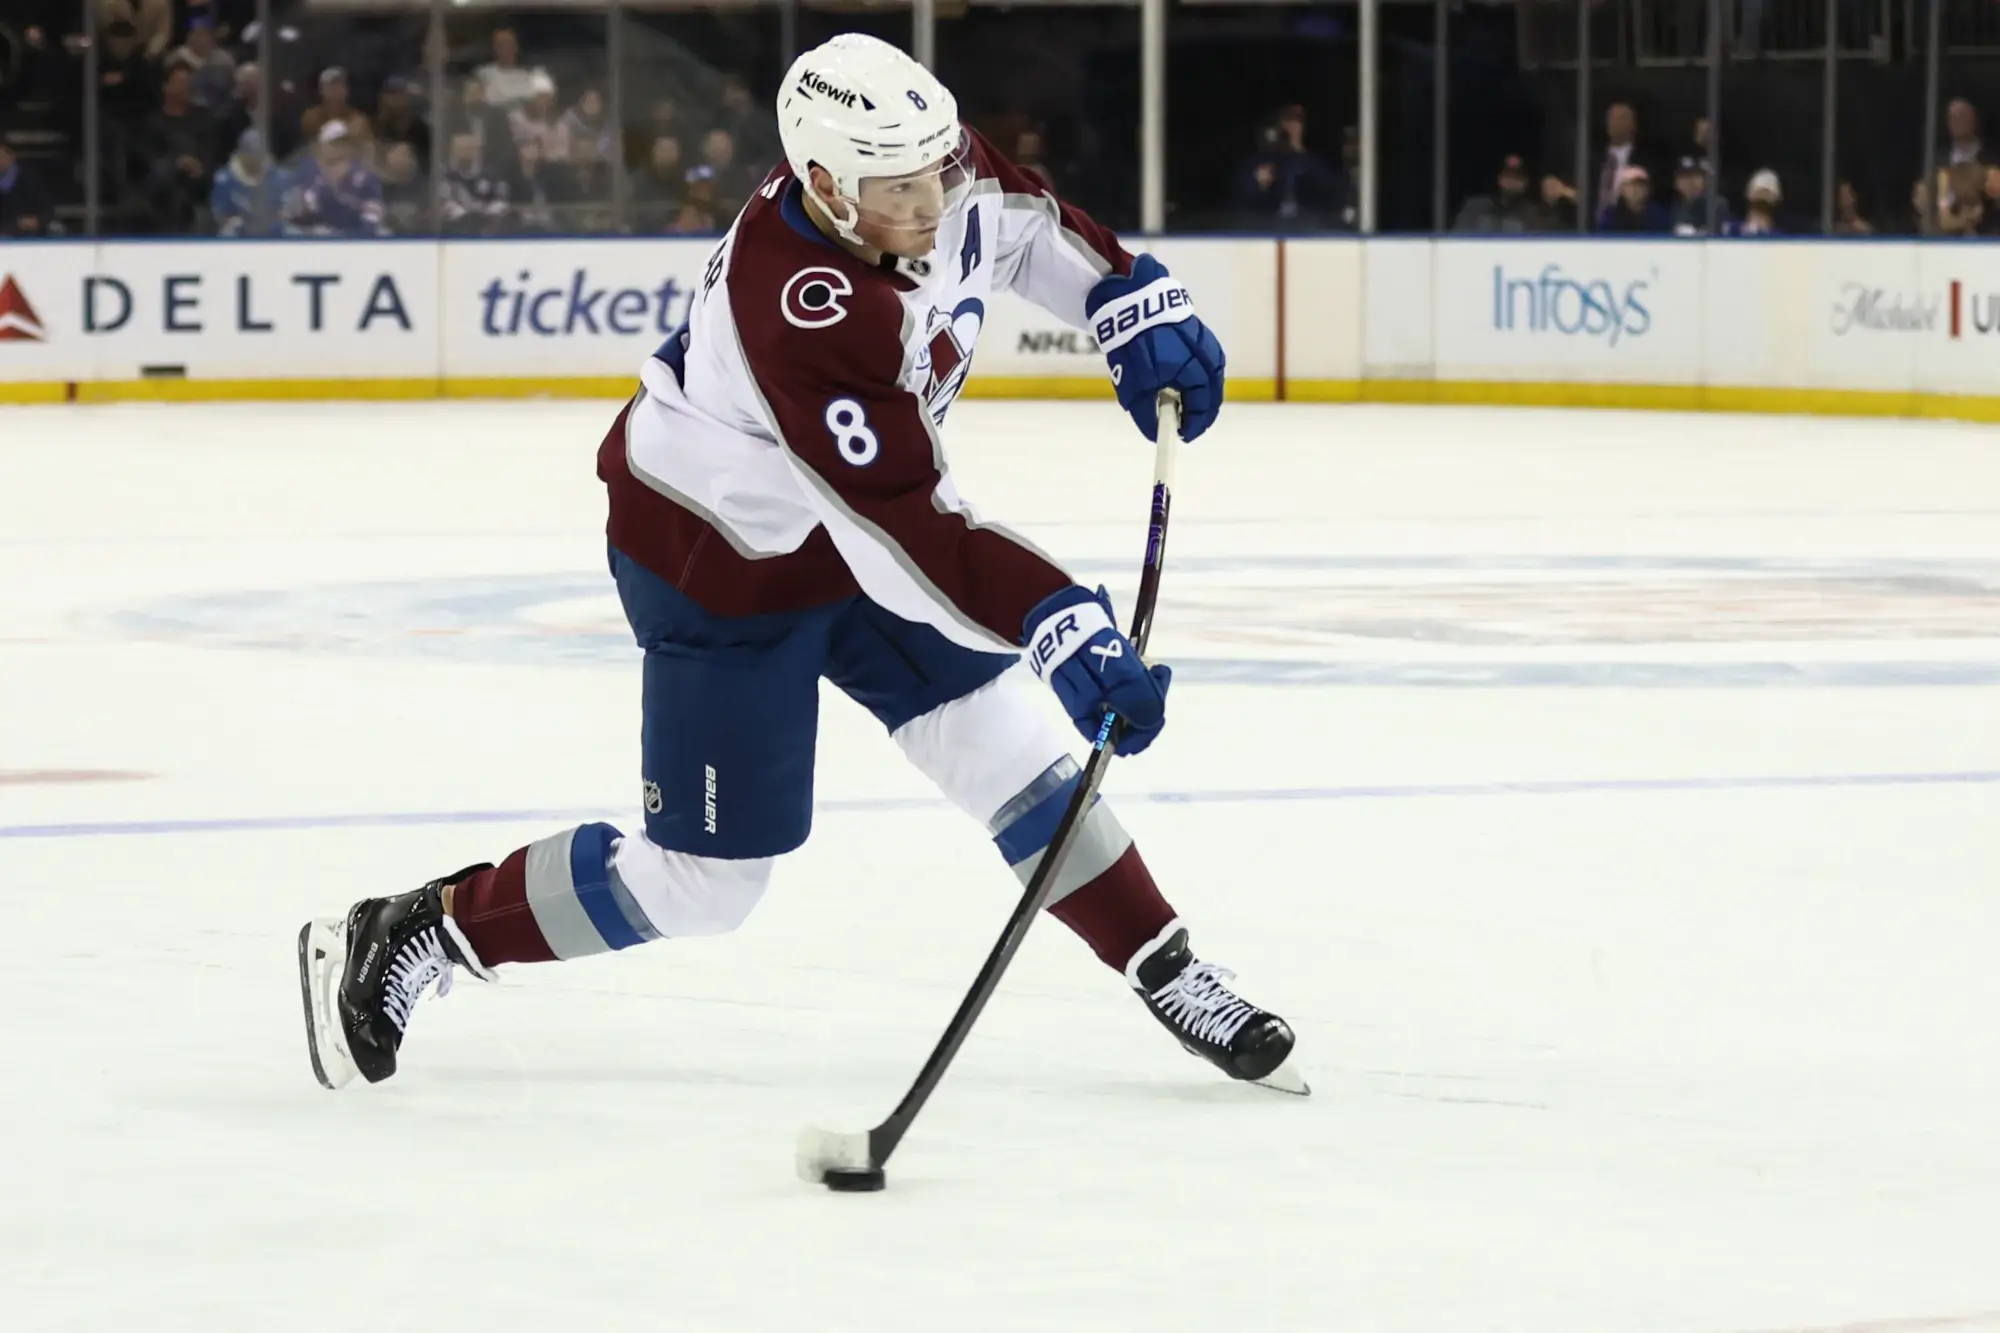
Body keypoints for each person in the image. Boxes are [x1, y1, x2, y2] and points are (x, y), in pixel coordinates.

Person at [296, 32, 1299, 1101]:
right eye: (899, 188)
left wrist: (1124, 299)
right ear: (823, 185)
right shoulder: (797, 306)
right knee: (704, 885)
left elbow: (1023, 233)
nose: (933, 199)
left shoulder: (930, 165)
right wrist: (1058, 618)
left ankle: (1166, 964)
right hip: (719, 566)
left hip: (851, 536)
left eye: (938, 171)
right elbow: (914, 528)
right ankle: (422, 931)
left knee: (1004, 749)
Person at [283, 121, 385, 237]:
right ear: (321, 147)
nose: (339, 147)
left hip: (354, 243)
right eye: (334, 143)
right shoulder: (307, 174)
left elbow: (372, 222)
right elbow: (291, 216)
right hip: (315, 243)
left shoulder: (365, 178)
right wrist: (324, 190)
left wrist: (341, 194)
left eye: (343, 142)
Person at [1451, 155, 1550, 233]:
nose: (1511, 182)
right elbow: (1457, 240)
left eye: (1517, 178)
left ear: (1526, 183)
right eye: (1507, 176)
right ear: (1499, 179)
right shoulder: (1476, 207)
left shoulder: (1535, 214)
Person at [209, 128, 275, 236]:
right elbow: (220, 215)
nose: (255, 158)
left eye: (258, 152)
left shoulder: (273, 176)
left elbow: (280, 208)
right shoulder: (224, 179)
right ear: (242, 152)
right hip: (237, 235)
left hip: (267, 233)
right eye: (251, 153)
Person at [1668, 156, 1731, 235]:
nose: (1689, 182)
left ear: (1704, 180)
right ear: (1676, 183)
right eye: (1684, 177)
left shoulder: (1716, 205)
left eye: (1695, 176)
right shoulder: (1675, 207)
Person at [0, 142, 52, 236]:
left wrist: (37, 220)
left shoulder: (29, 180)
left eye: (2, 156)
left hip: (26, 236)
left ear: (12, 157)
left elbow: (47, 209)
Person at [1596, 165, 1667, 232]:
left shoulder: (1659, 214)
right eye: (1629, 186)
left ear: (1648, 189)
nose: (1634, 190)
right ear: (1621, 189)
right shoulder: (1610, 215)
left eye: (1639, 185)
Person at [1724, 168, 1783, 236]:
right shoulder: (1731, 229)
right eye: (1756, 204)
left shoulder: (1780, 239)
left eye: (1764, 205)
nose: (1759, 210)